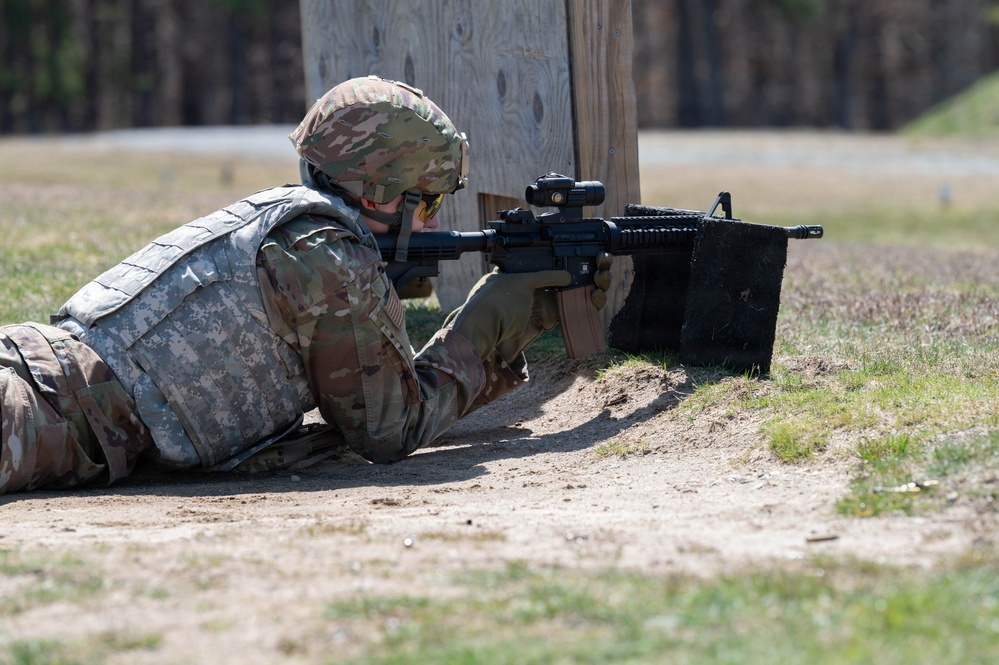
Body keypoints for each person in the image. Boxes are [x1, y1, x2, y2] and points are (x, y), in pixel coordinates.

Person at [0, 75, 604, 494]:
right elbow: (389, 430)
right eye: (430, 201)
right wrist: (489, 327)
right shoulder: (326, 257)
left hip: (42, 375)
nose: (436, 221)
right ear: (378, 193)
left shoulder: (291, 222)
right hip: (45, 410)